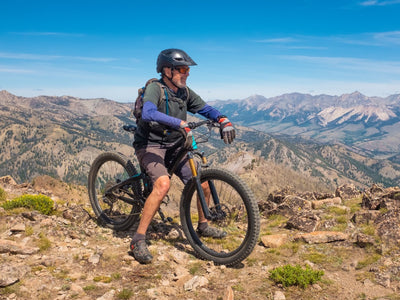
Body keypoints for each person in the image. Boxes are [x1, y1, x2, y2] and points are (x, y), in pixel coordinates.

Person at [130, 48, 236, 264]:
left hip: (176, 144)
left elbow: (204, 108)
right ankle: (138, 239)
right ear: (166, 70)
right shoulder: (154, 88)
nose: (186, 73)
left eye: (188, 69)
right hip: (151, 144)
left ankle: (204, 225)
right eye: (182, 69)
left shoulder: (184, 92)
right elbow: (149, 113)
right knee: (162, 185)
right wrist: (179, 123)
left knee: (203, 183)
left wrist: (223, 119)